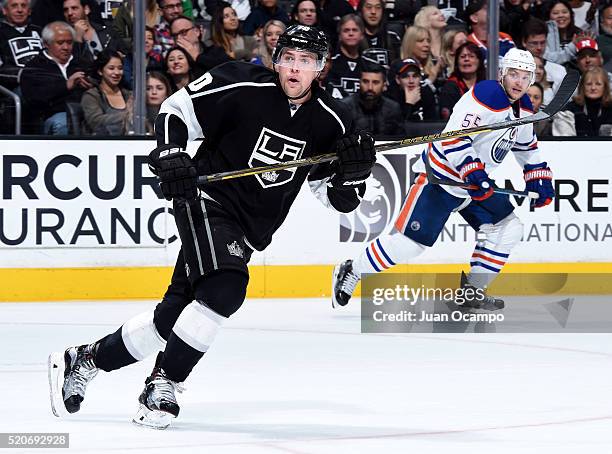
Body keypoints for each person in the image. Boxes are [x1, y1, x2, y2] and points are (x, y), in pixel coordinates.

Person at [48, 24, 376, 429]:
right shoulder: (241, 82)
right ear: (276, 60)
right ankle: (163, 383)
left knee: (172, 317)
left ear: (321, 69)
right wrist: (170, 152)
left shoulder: (333, 122)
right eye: (288, 57)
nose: (294, 68)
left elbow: (334, 197)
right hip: (204, 201)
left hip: (249, 230)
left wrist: (353, 174)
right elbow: (175, 110)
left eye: (306, 61)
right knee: (225, 289)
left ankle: (87, 358)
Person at [331, 48, 555, 310]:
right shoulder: (486, 97)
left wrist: (538, 178)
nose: (519, 82)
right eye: (514, 74)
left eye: (525, 77)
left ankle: (472, 290)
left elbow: (526, 147)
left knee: (508, 228)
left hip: (472, 185)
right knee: (410, 245)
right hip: (440, 179)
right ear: (503, 74)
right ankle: (353, 270)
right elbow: (454, 138)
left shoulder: (524, 108)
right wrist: (475, 173)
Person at [20, 21, 93, 134]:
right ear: (46, 44)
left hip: (86, 112)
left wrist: (92, 84)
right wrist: (66, 85)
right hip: (52, 116)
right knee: (64, 123)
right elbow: (34, 99)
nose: (66, 47)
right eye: (60, 43)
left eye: (69, 42)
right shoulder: (34, 67)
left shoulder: (82, 63)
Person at [341, 59, 404, 135]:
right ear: (359, 83)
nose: (370, 87)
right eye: (365, 81)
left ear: (384, 85)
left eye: (375, 82)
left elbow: (400, 140)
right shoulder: (345, 107)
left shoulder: (393, 108)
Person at [81, 50, 131, 135]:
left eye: (120, 68)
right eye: (111, 68)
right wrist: (127, 116)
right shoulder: (91, 96)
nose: (117, 72)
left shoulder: (129, 95)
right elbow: (96, 122)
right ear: (100, 71)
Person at [553, 66, 612, 136]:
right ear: (582, 87)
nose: (593, 88)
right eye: (589, 84)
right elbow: (565, 140)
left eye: (598, 84)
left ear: (605, 87)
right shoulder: (569, 110)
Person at [0, 0, 43, 89]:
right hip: (14, 88)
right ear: (4, 10)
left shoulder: (42, 32)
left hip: (46, 81)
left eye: (23, 6)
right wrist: (24, 74)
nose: (20, 10)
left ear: (29, 11)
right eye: (14, 6)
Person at [438, 41, 485, 119]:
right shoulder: (450, 87)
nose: (466, 59)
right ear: (457, 63)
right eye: (462, 56)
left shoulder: (487, 84)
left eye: (471, 56)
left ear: (479, 61)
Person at [326, 14, 366, 99]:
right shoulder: (330, 63)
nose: (351, 33)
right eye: (346, 30)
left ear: (362, 35)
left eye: (355, 30)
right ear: (339, 35)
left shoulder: (368, 64)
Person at [386, 57, 438, 122]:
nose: (411, 81)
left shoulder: (426, 93)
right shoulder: (391, 98)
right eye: (406, 76)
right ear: (398, 80)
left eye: (415, 76)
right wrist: (409, 104)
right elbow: (397, 128)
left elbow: (433, 125)